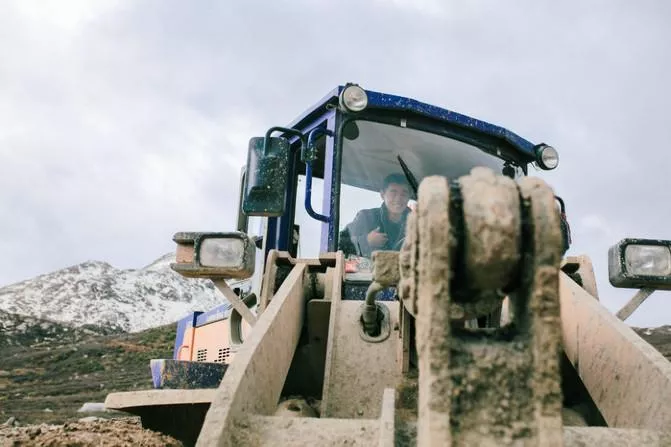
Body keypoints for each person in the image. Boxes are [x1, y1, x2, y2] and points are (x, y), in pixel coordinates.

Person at [339, 173, 413, 258]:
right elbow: (339, 244)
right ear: (382, 195)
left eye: (404, 194)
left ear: (409, 196)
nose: (399, 198)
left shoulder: (419, 225)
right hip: (371, 271)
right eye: (393, 192)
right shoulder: (366, 218)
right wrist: (367, 241)